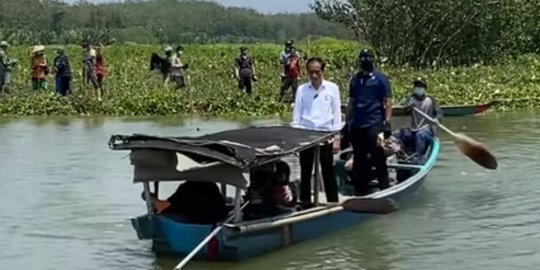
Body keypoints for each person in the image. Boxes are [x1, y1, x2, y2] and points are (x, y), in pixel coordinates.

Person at [291, 57, 342, 204]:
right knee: (305, 172)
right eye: (311, 72)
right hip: (306, 135)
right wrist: (296, 139)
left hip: (326, 134)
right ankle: (305, 203)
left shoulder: (332, 88)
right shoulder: (302, 90)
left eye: (317, 72)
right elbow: (297, 117)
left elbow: (337, 115)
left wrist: (337, 138)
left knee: (328, 171)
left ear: (322, 71)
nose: (314, 75)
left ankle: (333, 202)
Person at [346, 49, 392, 196]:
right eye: (363, 58)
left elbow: (388, 102)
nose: (365, 60)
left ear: (373, 60)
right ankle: (361, 190)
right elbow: (351, 102)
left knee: (379, 156)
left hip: (375, 124)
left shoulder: (381, 79)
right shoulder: (355, 79)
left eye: (368, 57)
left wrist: (387, 122)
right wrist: (347, 121)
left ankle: (385, 189)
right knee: (359, 159)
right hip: (358, 125)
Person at [401, 77, 443, 159]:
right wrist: (409, 107)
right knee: (402, 133)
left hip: (427, 130)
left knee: (420, 135)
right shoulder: (410, 99)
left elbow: (439, 112)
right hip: (414, 129)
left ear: (424, 88)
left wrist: (437, 119)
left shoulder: (430, 99)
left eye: (421, 86)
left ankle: (419, 157)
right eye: (417, 86)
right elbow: (405, 110)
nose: (418, 88)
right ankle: (404, 155)